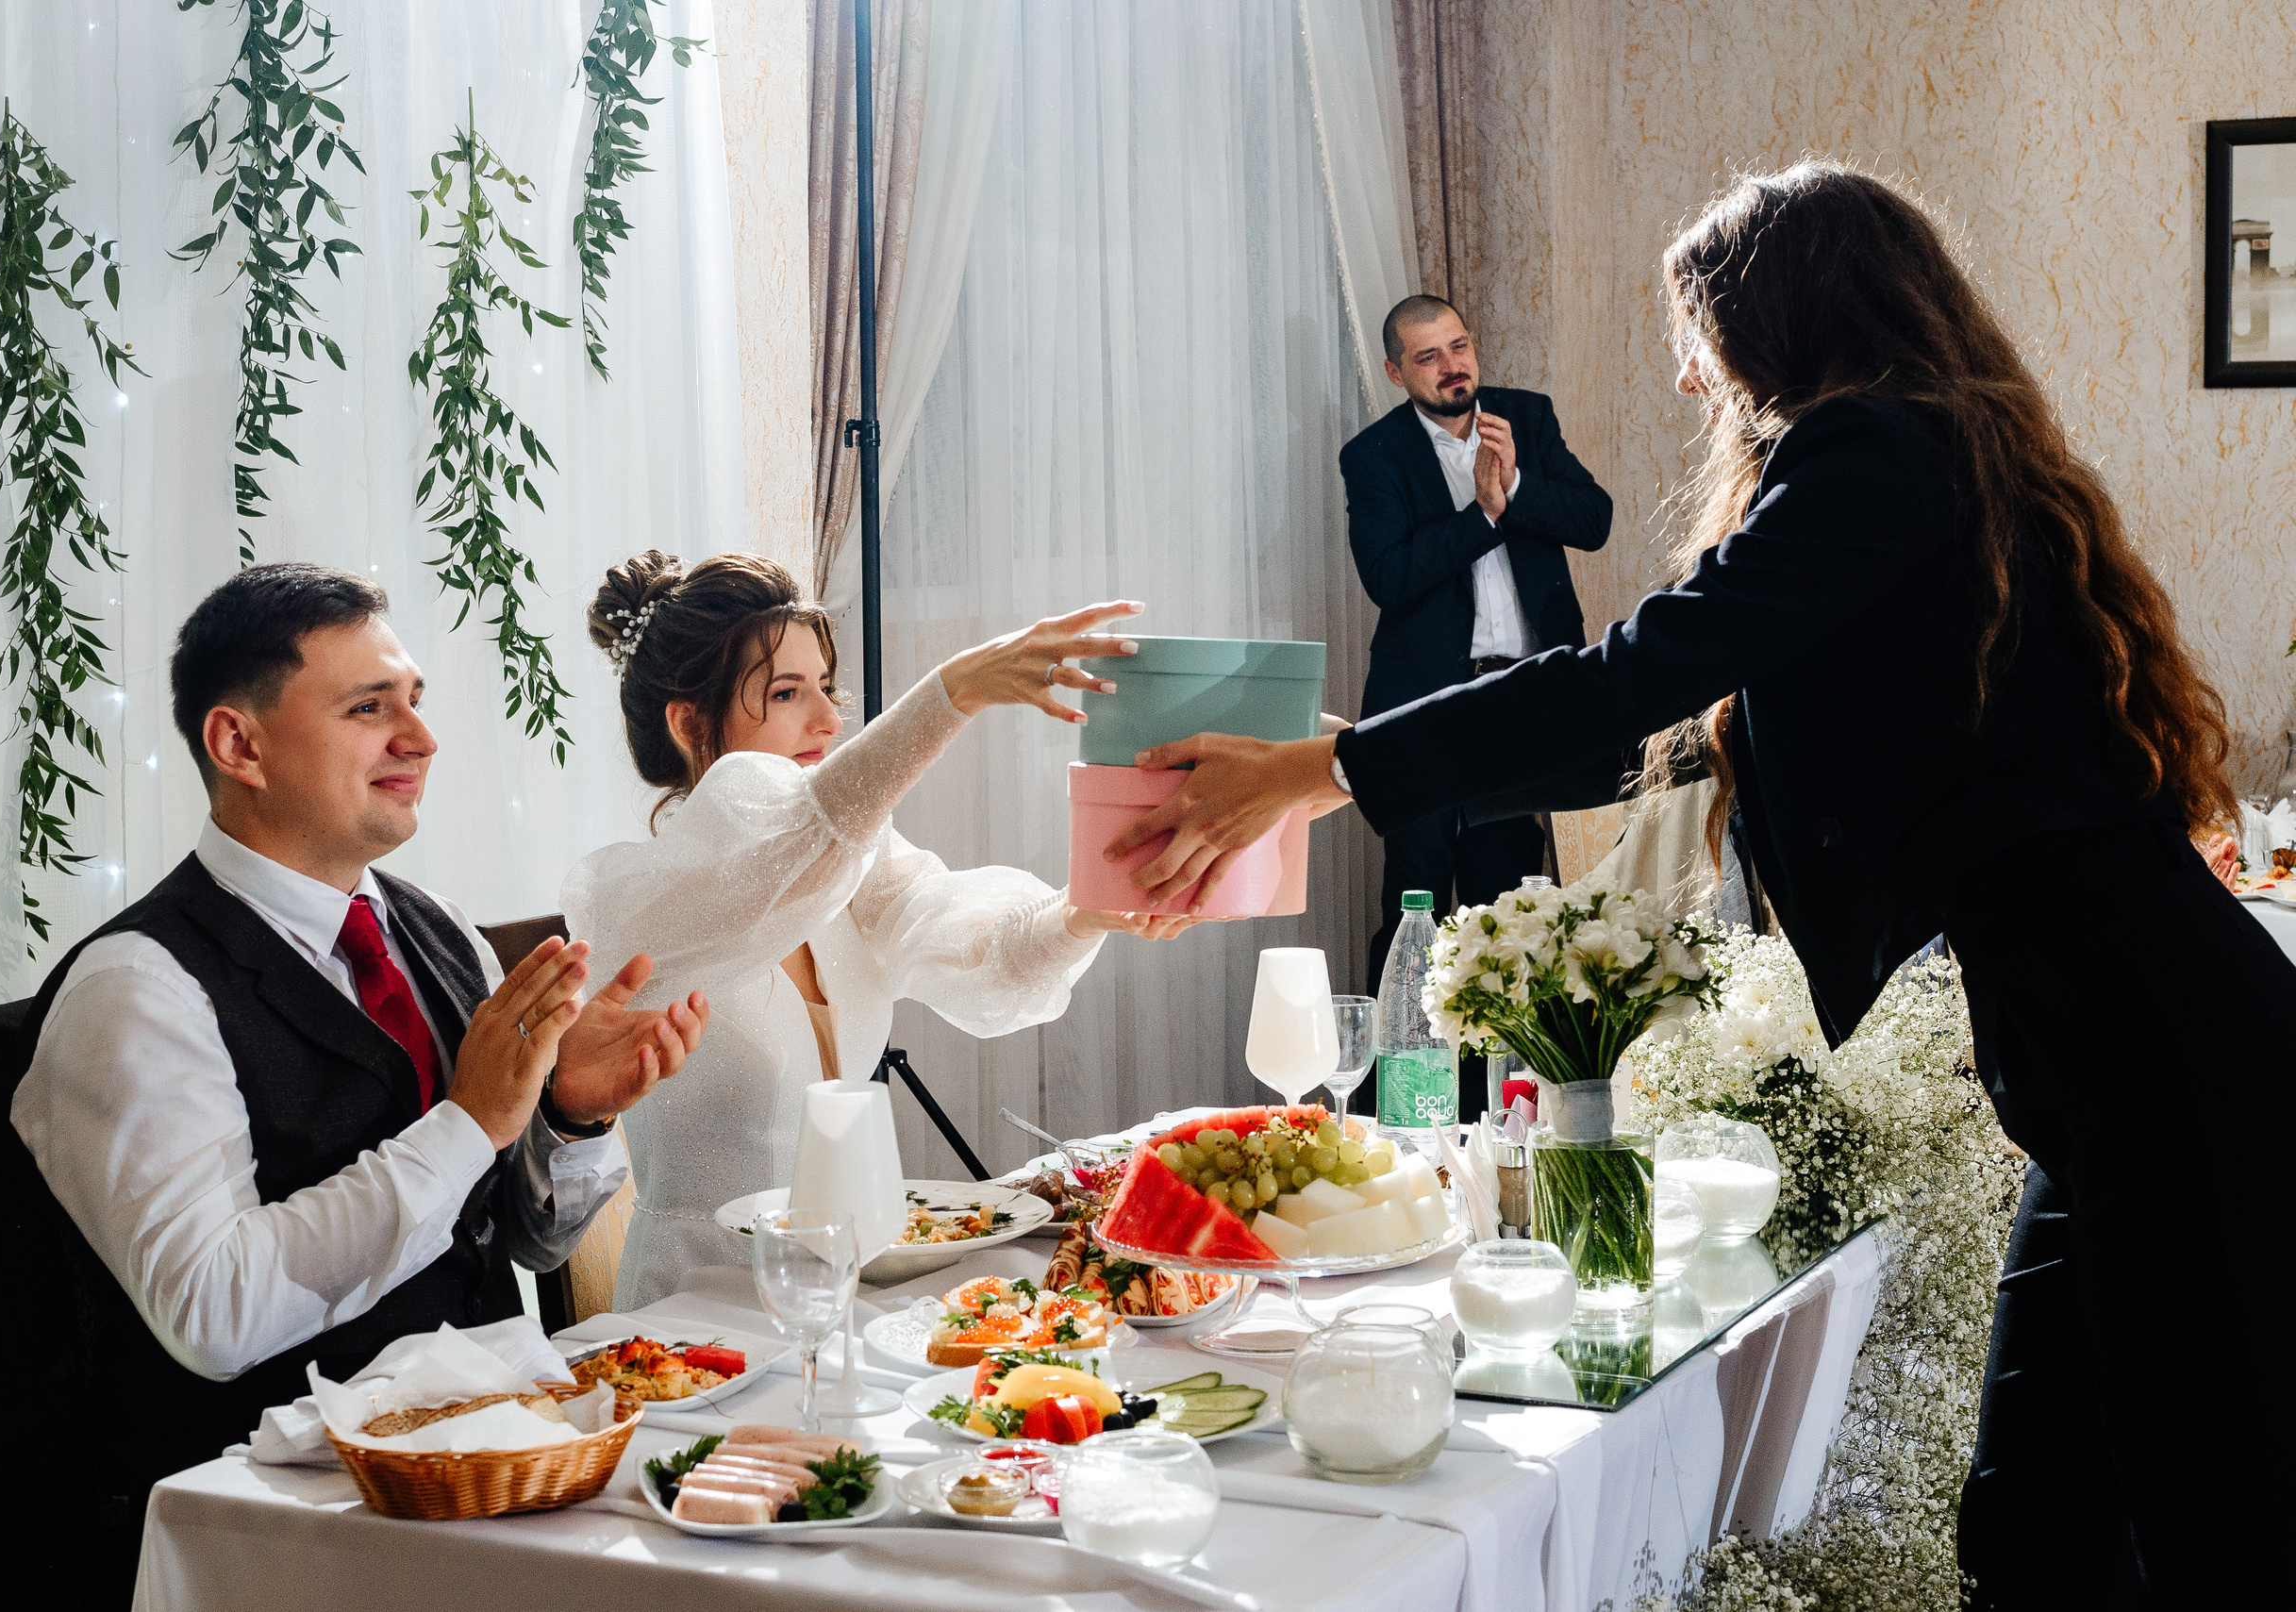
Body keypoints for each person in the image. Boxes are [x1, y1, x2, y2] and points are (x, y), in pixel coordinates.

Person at [1103, 163, 2290, 1607]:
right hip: (2114, 1057)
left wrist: (1328, 766)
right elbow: (1647, 730)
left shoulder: (1873, 452)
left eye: (1701, 335)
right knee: (2035, 1532)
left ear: (1784, 319)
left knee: (2211, 1536)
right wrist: (1363, 768)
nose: (1687, 376)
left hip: (2165, 1062)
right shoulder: (1927, 454)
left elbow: (1628, 675)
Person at [8, 564, 709, 1591]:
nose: (420, 738)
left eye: (413, 701)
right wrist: (470, 1120)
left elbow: (523, 1241)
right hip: (286, 1533)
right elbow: (212, 1313)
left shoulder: (440, 931)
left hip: (495, 1476)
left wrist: (568, 1114)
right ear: (238, 744)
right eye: (369, 708)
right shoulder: (136, 989)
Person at [562, 553, 1202, 1305]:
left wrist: (1085, 910)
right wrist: (956, 690)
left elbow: (984, 954)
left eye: (826, 687)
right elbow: (797, 836)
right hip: (694, 1315)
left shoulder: (844, 864)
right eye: (787, 692)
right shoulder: (641, 902)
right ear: (689, 723)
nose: (829, 720)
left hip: (838, 1296)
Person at [1342, 294, 1612, 1013]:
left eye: (1458, 346)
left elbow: (1595, 519)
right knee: (1416, 907)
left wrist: (1517, 486)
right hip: (1421, 708)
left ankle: (1500, 1077)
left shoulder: (1527, 417)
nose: (1452, 365)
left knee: (1509, 911)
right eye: (1428, 356)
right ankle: (1399, 1074)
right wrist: (1485, 515)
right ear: (1397, 372)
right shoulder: (1372, 455)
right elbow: (1388, 575)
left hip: (1523, 702)